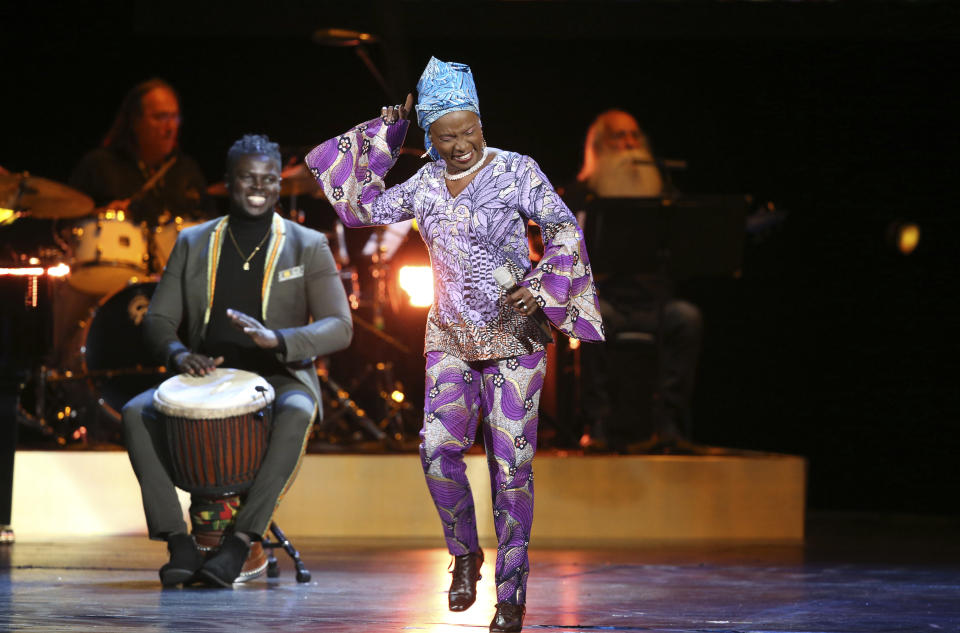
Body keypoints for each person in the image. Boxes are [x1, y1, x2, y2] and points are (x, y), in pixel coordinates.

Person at [306, 57, 604, 633]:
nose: (461, 144)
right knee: (436, 450)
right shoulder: (422, 182)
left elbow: (565, 228)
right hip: (449, 337)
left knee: (510, 467)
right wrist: (384, 140)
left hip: (516, 339)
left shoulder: (518, 171)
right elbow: (358, 206)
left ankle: (511, 594)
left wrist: (542, 284)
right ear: (431, 140)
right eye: (446, 137)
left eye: (469, 132)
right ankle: (464, 553)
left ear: (482, 126)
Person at [121, 134, 352, 587]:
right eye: (248, 177)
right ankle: (178, 542)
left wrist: (278, 339)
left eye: (269, 179)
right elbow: (159, 318)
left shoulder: (307, 244)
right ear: (229, 182)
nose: (259, 187)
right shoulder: (192, 242)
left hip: (280, 376)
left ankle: (240, 543)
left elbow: (340, 327)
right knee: (134, 412)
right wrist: (179, 352)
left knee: (298, 411)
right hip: (208, 373)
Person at [561, 109, 703, 451]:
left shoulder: (663, 194)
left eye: (634, 136)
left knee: (687, 318)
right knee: (592, 317)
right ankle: (597, 423)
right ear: (599, 146)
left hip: (655, 304)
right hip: (605, 302)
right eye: (618, 137)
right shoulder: (581, 196)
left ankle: (669, 424)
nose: (629, 144)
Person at [69, 78, 208, 226]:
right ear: (135, 121)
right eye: (160, 117)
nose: (170, 127)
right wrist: (101, 215)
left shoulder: (187, 171)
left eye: (175, 117)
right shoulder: (98, 166)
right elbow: (66, 221)